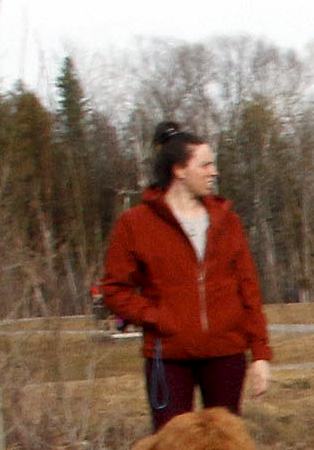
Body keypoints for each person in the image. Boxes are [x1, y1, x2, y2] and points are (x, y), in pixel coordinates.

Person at [98, 123, 273, 429]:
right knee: (173, 447)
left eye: (213, 164)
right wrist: (156, 317)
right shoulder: (134, 224)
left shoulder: (228, 222)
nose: (214, 172)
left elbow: (249, 291)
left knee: (223, 447)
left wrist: (260, 354)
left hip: (225, 353)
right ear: (179, 169)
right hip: (167, 356)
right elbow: (114, 290)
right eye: (205, 165)